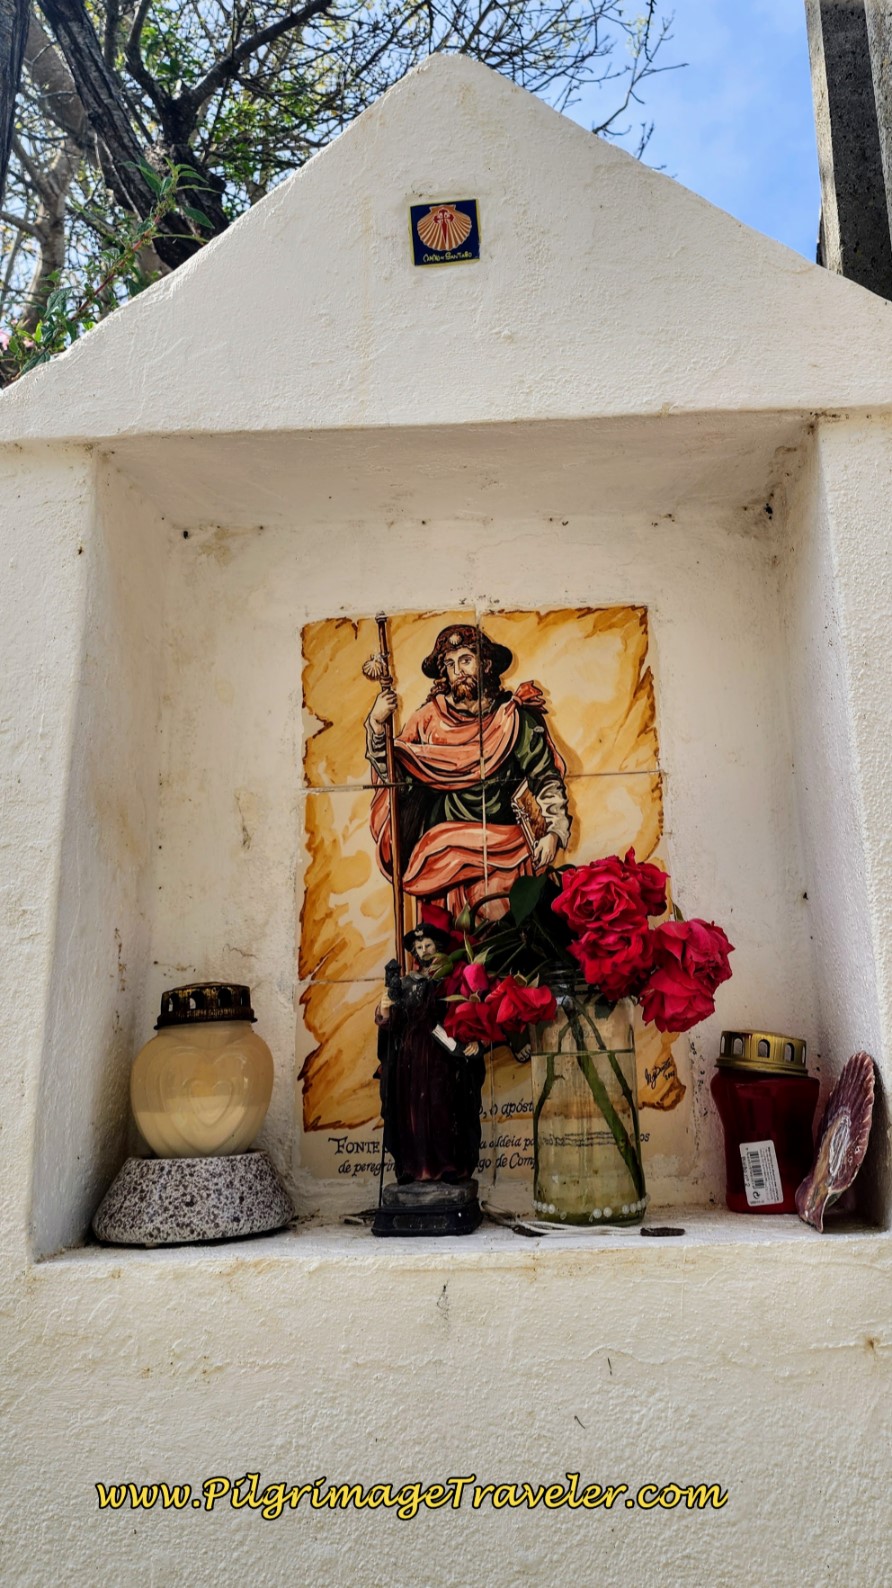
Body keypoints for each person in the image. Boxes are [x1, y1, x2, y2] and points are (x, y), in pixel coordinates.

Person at [366, 624, 570, 922]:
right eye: (450, 664)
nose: (458, 671)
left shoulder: (512, 718)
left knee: (505, 933)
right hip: (442, 858)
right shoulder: (427, 720)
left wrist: (553, 832)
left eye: (465, 660)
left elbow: (545, 777)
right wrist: (376, 725)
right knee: (447, 940)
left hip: (506, 851)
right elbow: (397, 777)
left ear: (485, 664)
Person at [375, 924, 485, 1184]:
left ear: (438, 947)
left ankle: (448, 1163)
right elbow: (392, 1024)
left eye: (428, 945)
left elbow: (465, 1013)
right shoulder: (405, 984)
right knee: (411, 1111)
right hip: (410, 1058)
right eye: (419, 947)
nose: (424, 950)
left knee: (442, 1105)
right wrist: (386, 1009)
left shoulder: (450, 982)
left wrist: (473, 1038)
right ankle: (412, 1165)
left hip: (441, 1056)